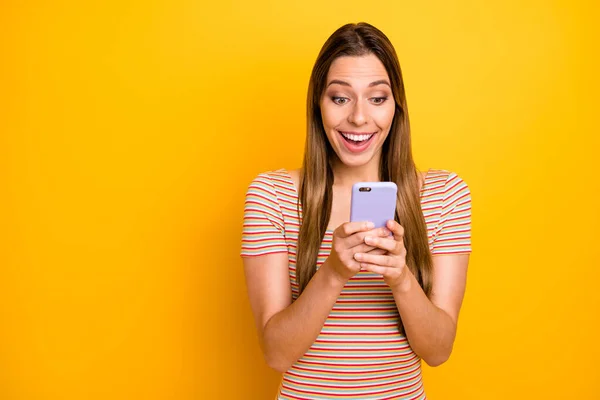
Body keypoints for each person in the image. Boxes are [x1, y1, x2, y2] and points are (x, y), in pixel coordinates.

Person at [240, 22, 472, 400]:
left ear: (397, 105)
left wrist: (400, 278)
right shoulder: (272, 195)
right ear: (318, 104)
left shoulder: (444, 194)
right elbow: (276, 353)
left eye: (377, 99)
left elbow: (438, 350)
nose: (360, 119)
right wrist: (333, 273)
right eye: (340, 98)